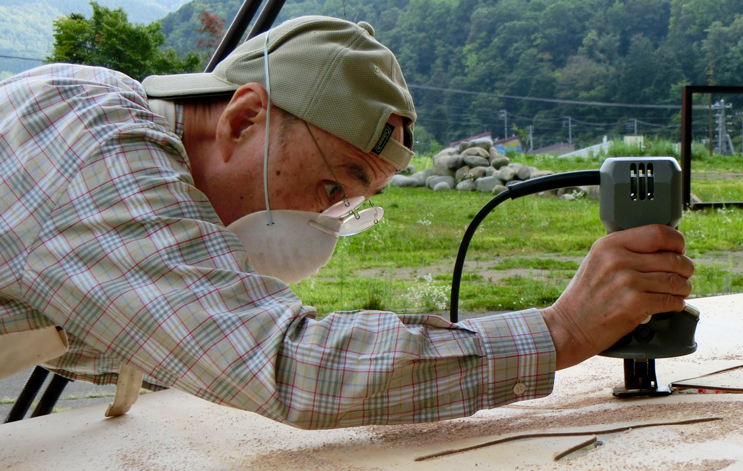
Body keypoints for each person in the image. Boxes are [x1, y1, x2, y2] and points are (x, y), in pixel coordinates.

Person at [0, 16, 693, 429]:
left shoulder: (136, 172)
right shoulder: (100, 149)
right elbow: (288, 363)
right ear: (243, 120)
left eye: (348, 202)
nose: (326, 218)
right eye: (331, 183)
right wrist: (560, 331)